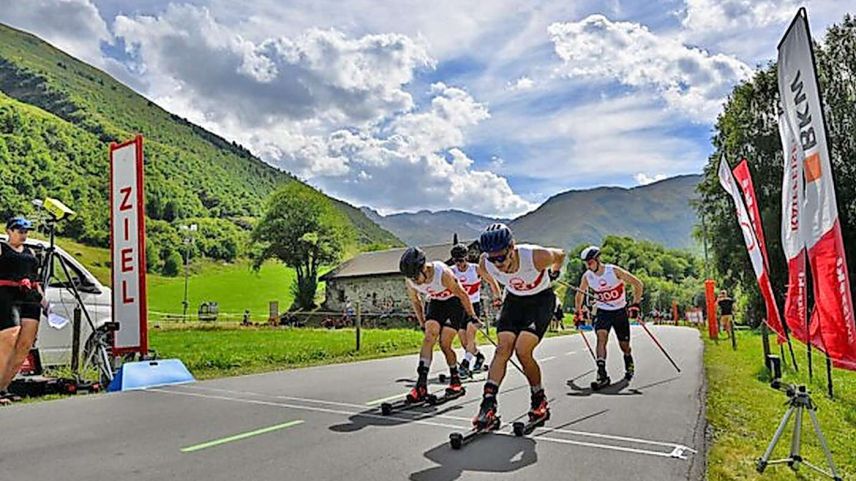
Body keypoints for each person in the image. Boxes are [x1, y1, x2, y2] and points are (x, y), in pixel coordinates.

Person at [473, 223, 565, 429]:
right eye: (492, 258)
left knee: (523, 350)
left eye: (501, 257)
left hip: (540, 301)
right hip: (514, 301)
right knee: (503, 348)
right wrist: (497, 291)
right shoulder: (485, 263)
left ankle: (538, 397)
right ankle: (488, 404)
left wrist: (554, 272)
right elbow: (485, 273)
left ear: (512, 247)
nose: (498, 263)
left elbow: (560, 254)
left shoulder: (535, 256)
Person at [400, 246, 479, 401]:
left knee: (444, 343)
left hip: (454, 304)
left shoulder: (442, 274)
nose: (415, 280)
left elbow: (463, 294)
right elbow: (416, 301)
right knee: (429, 337)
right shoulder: (410, 280)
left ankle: (455, 380)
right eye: (411, 278)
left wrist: (472, 316)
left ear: (424, 268)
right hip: (436, 303)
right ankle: (421, 384)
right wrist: (422, 322)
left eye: (416, 277)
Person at [575, 245, 643, 386]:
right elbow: (579, 294)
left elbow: (638, 284)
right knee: (601, 337)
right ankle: (601, 373)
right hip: (603, 311)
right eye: (586, 263)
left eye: (590, 261)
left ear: (598, 259)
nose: (588, 265)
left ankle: (628, 360)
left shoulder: (613, 271)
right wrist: (578, 312)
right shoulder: (587, 276)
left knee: (624, 346)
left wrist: (636, 304)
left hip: (619, 311)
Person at [0, 217, 44, 405]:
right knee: (9, 338)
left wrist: (45, 302)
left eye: (26, 231)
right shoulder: (2, 247)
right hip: (7, 294)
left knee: (25, 344)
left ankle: (3, 387)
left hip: (30, 296)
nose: (23, 234)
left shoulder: (31, 251)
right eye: (19, 230)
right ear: (9, 231)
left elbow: (36, 278)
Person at [449, 243, 500, 378]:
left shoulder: (475, 269)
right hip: (459, 308)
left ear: (467, 258)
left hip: (474, 307)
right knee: (464, 343)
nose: (459, 264)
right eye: (456, 261)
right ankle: (479, 356)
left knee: (471, 336)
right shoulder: (451, 271)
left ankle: (465, 365)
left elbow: (492, 281)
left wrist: (497, 297)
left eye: (461, 260)